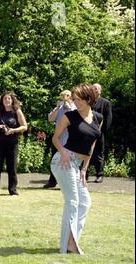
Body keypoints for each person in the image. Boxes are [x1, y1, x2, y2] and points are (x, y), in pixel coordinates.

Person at [51, 84, 102, 254]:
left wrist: (84, 169)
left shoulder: (98, 118)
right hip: (63, 161)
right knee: (72, 202)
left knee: (85, 202)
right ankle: (68, 245)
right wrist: (63, 153)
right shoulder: (69, 116)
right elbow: (55, 138)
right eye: (75, 99)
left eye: (80, 99)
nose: (76, 102)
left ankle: (71, 242)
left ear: (89, 99)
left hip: (78, 165)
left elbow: (92, 144)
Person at [0, 91, 28, 196]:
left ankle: (13, 190)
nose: (7, 100)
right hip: (0, 142)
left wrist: (13, 130)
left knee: (12, 167)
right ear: (2, 100)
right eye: (5, 98)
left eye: (9, 98)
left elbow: (24, 126)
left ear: (12, 100)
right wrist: (0, 126)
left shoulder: (17, 111)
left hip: (12, 142)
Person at [43, 90, 76, 188]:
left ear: (71, 97)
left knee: (69, 162)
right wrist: (57, 107)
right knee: (55, 160)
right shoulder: (59, 106)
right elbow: (50, 119)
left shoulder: (75, 107)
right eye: (63, 95)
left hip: (69, 139)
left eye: (67, 96)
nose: (64, 97)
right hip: (58, 139)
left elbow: (75, 118)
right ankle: (52, 181)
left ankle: (69, 182)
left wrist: (69, 107)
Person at [89, 83, 112, 183]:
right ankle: (85, 174)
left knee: (98, 154)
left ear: (100, 91)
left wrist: (102, 131)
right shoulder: (88, 101)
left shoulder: (105, 103)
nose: (94, 90)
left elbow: (108, 118)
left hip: (99, 132)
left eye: (96, 89)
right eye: (93, 89)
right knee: (86, 152)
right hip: (88, 132)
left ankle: (100, 175)